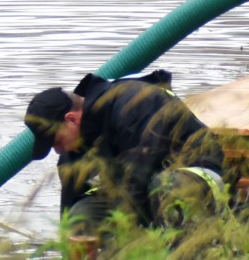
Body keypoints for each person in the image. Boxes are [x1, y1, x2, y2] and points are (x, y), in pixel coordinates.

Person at [23, 71, 227, 234]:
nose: (58, 150)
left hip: (197, 175)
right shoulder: (73, 152)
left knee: (165, 187)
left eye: (57, 141)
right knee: (81, 216)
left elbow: (140, 175)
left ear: (72, 119)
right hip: (142, 198)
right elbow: (68, 215)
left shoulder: (133, 103)